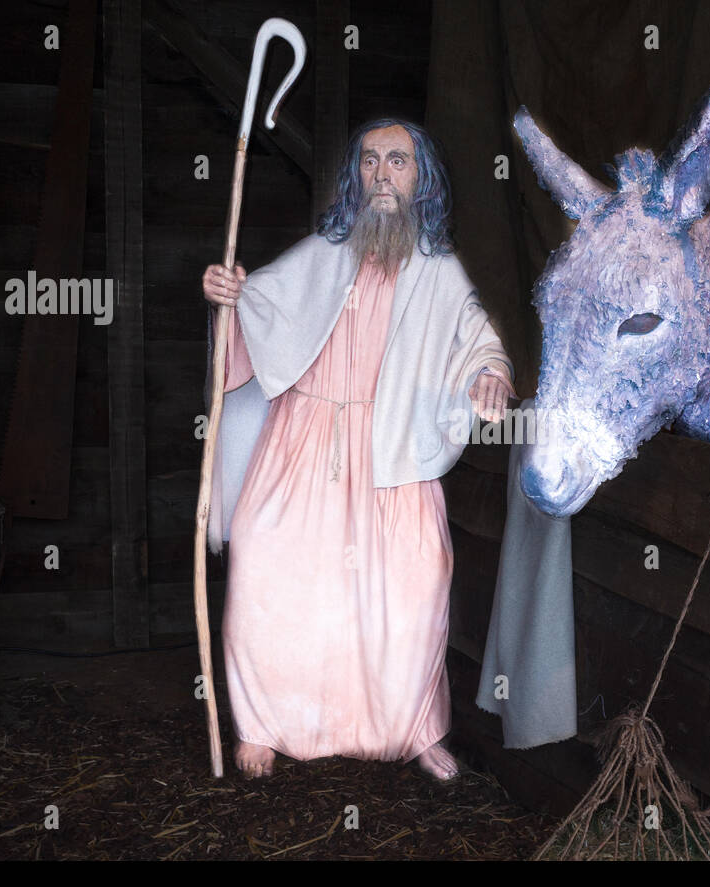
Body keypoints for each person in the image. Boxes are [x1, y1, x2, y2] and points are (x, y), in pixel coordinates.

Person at [201, 119, 516, 781]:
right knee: (264, 568)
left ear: (420, 178)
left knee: (417, 584)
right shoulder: (323, 253)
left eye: (397, 161)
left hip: (391, 450)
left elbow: (475, 337)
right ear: (356, 175)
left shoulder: (438, 272)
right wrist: (229, 295)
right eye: (370, 160)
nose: (381, 174)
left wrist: (489, 374)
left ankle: (412, 728)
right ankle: (264, 723)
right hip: (304, 444)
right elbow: (259, 308)